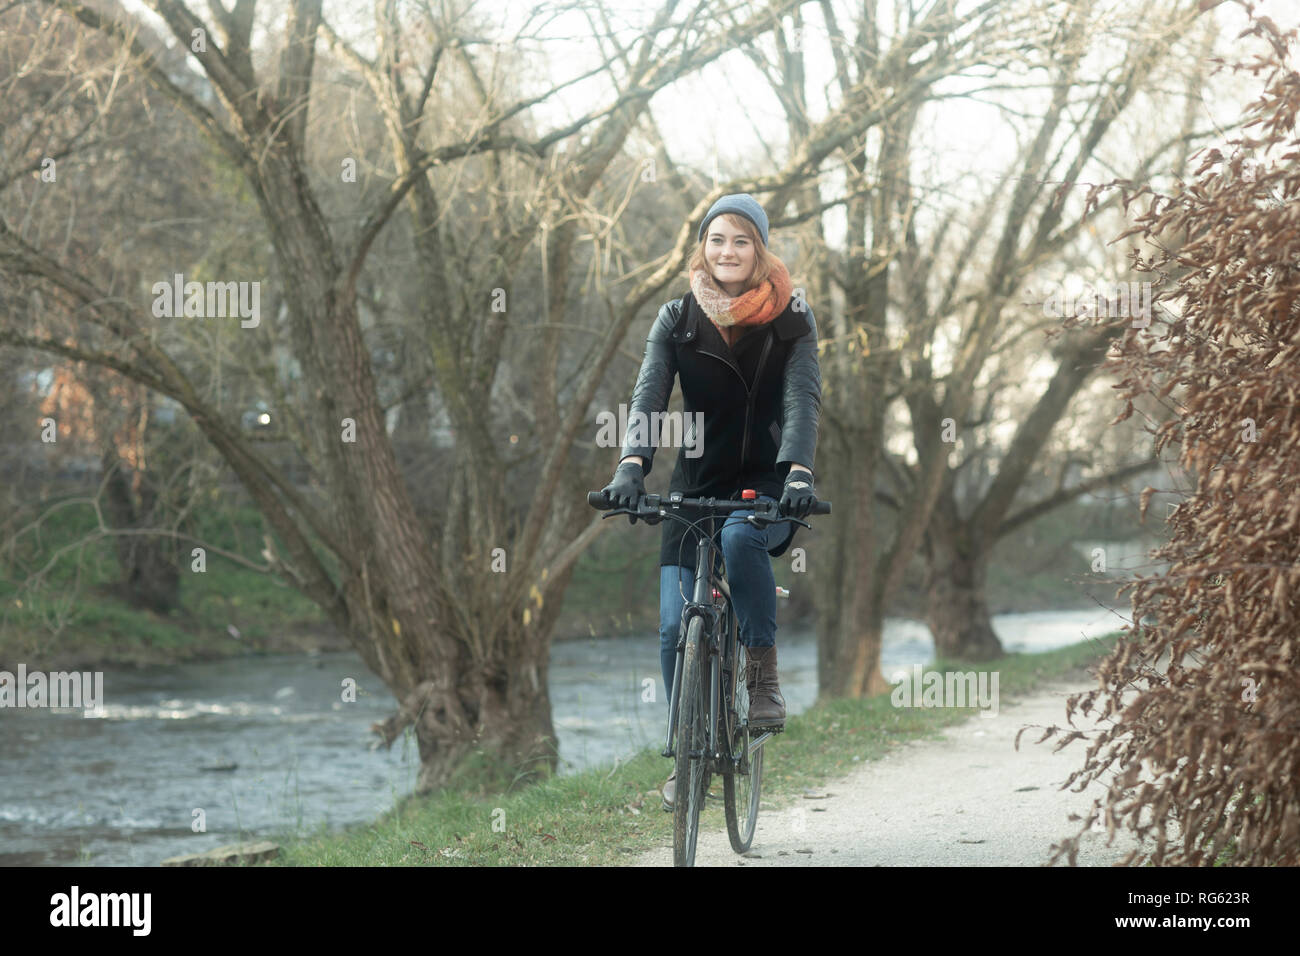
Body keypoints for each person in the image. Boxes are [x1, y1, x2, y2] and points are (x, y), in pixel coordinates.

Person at [599, 193, 822, 811]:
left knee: (739, 537)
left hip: (767, 482)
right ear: (703, 246)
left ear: (760, 249)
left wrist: (799, 472)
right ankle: (684, 754)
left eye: (742, 241)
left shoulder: (791, 320)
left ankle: (762, 676)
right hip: (693, 487)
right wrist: (630, 466)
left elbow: (802, 399)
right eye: (717, 239)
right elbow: (648, 398)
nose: (728, 251)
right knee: (674, 626)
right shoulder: (676, 319)